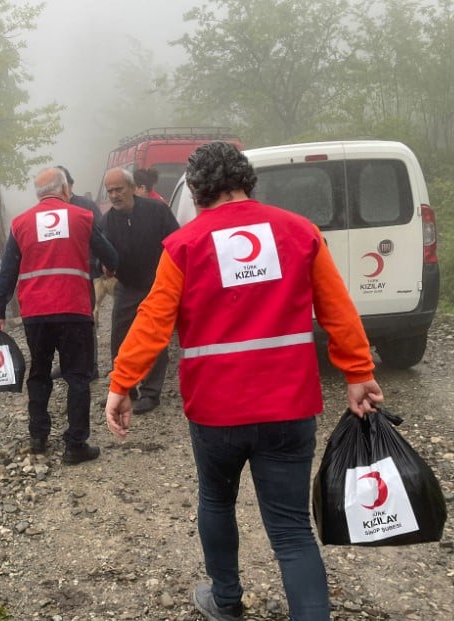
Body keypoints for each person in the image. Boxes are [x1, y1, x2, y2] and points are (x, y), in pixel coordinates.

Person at [104, 142, 384, 621]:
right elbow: (337, 308)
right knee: (293, 530)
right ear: (248, 182)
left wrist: (121, 382)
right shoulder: (300, 233)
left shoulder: (185, 245)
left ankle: (226, 600)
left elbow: (153, 318)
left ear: (195, 191)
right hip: (290, 407)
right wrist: (358, 372)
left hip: (216, 411)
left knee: (217, 500)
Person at [0, 167, 118, 465]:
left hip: (36, 314)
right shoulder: (81, 217)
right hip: (74, 310)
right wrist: (107, 267)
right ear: (65, 190)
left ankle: (38, 437)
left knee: (40, 373)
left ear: (38, 194)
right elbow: (111, 256)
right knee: (78, 377)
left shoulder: (20, 224)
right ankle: (75, 445)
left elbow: (7, 272)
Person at [101, 167, 179, 413]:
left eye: (119, 190)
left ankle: (151, 392)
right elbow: (98, 254)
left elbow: (176, 243)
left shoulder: (157, 211)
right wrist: (102, 266)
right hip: (127, 286)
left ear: (132, 188)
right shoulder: (107, 221)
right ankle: (125, 388)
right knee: (120, 338)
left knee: (154, 338)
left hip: (156, 285)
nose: (114, 195)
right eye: (110, 191)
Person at [52, 165, 101, 380]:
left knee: (85, 320)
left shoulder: (86, 207)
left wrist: (97, 266)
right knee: (61, 322)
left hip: (83, 274)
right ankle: (67, 364)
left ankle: (91, 366)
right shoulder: (49, 212)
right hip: (58, 277)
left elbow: (102, 238)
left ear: (70, 185)